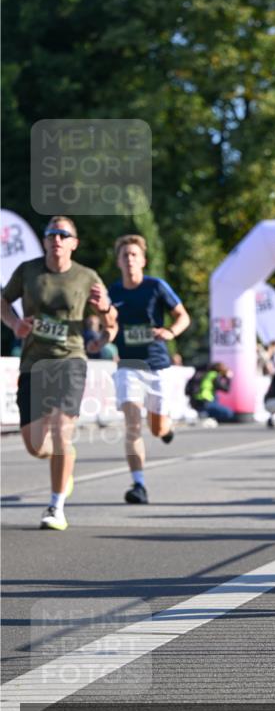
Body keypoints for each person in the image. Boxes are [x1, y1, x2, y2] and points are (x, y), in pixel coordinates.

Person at [0, 216, 117, 530]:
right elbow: (3, 302)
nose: (57, 239)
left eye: (63, 234)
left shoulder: (86, 277)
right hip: (33, 363)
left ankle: (55, 506)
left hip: (71, 360)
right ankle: (63, 460)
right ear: (45, 240)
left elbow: (111, 322)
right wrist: (15, 324)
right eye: (52, 233)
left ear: (74, 243)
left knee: (61, 429)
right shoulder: (28, 271)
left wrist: (106, 308)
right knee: (36, 446)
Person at [109, 234, 191, 504]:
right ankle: (138, 484)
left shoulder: (156, 286)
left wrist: (170, 331)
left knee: (156, 428)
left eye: (134, 255)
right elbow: (106, 325)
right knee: (132, 425)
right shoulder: (113, 292)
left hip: (157, 365)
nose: (130, 259)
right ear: (118, 261)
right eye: (125, 255)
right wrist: (102, 336)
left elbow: (183, 316)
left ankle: (166, 430)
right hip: (128, 365)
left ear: (143, 260)